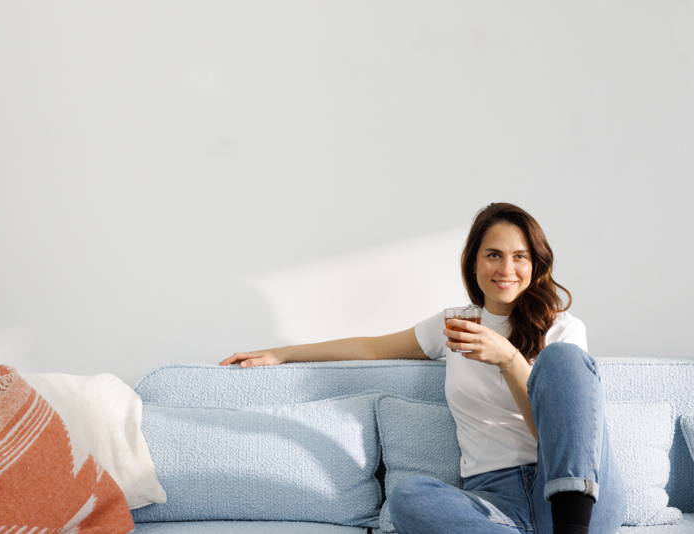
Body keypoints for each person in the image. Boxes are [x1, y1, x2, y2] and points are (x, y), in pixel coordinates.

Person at [218, 202, 626, 534]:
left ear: (536, 264)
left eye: (520, 256)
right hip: (493, 501)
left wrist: (508, 359)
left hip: (574, 497)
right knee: (408, 498)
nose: (507, 269)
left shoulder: (563, 330)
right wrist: (282, 353)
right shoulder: (453, 325)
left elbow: (555, 437)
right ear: (474, 263)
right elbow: (372, 347)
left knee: (564, 360)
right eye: (494, 255)